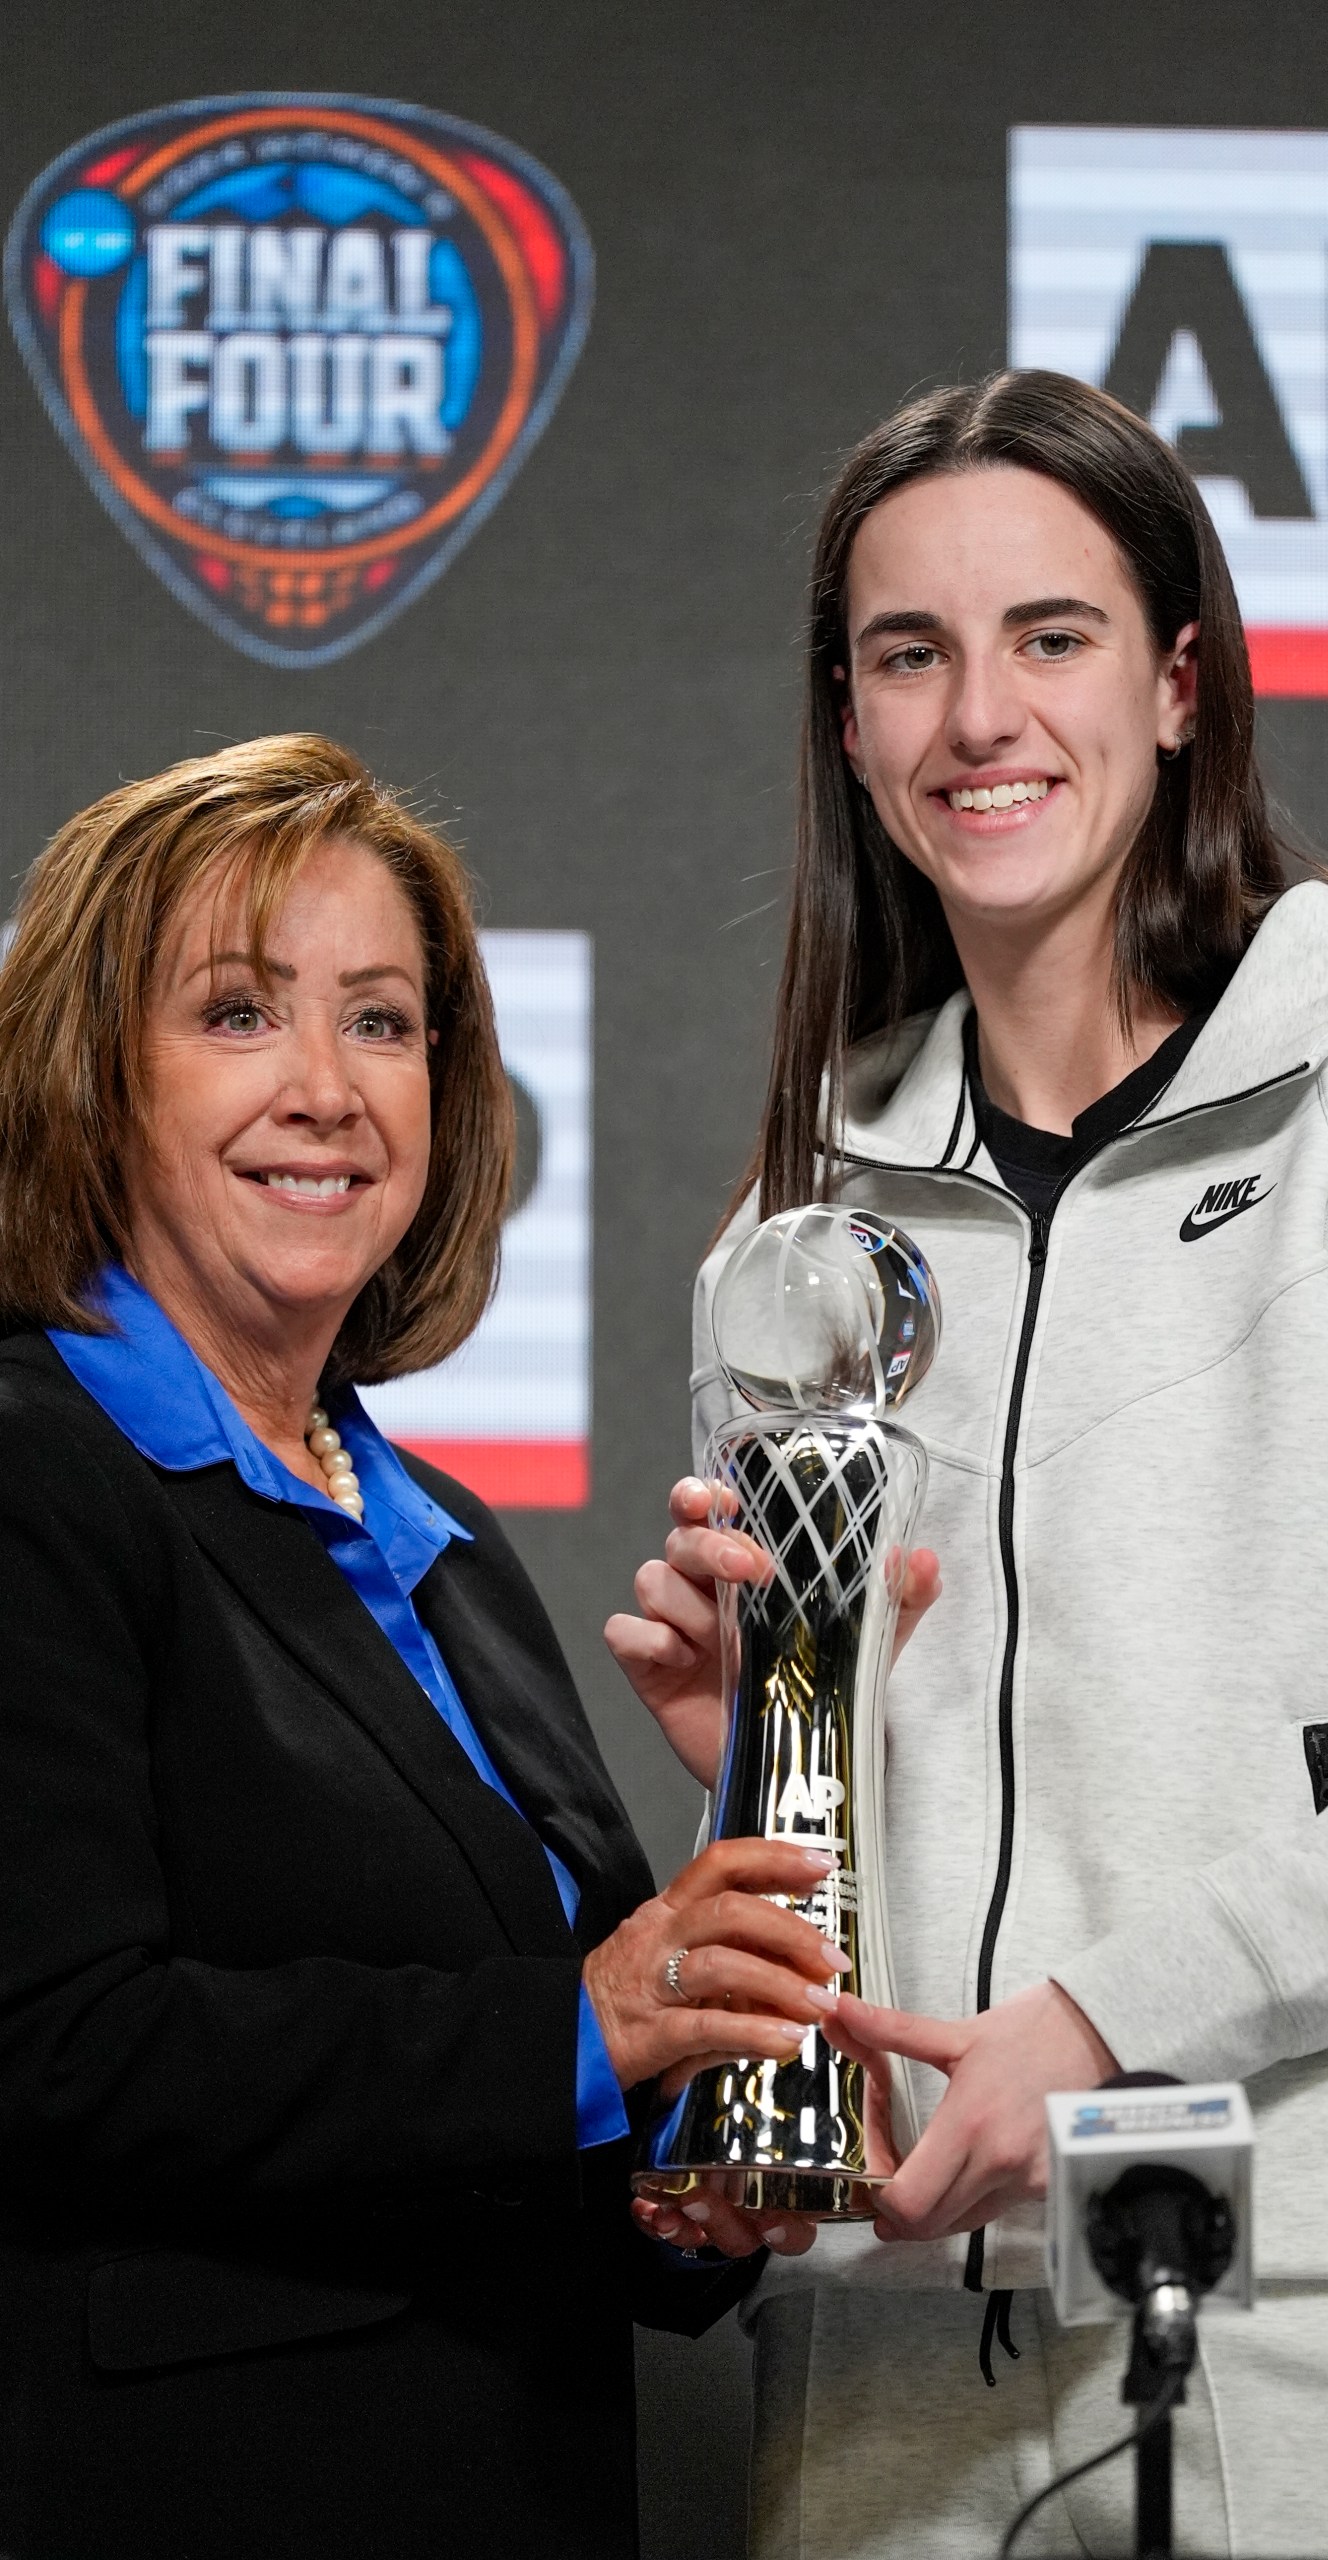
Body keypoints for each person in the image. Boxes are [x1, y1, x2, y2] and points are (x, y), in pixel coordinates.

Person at [607, 371, 1328, 2558]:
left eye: (1052, 636)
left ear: (1180, 683)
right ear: (855, 726)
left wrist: (1104, 2016)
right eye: (910, 653)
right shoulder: (802, 1213)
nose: (981, 714)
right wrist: (774, 1753)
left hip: (1308, 2298)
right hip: (880, 2316)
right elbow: (861, 1780)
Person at [0, 734, 830, 2560]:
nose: (327, 1089)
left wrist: (681, 2166)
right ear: (87, 1072)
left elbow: (528, 2103)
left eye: (383, 1023)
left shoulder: (440, 1546)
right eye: (238, 1012)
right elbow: (52, 2046)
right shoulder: (32, 1466)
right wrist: (587, 2025)